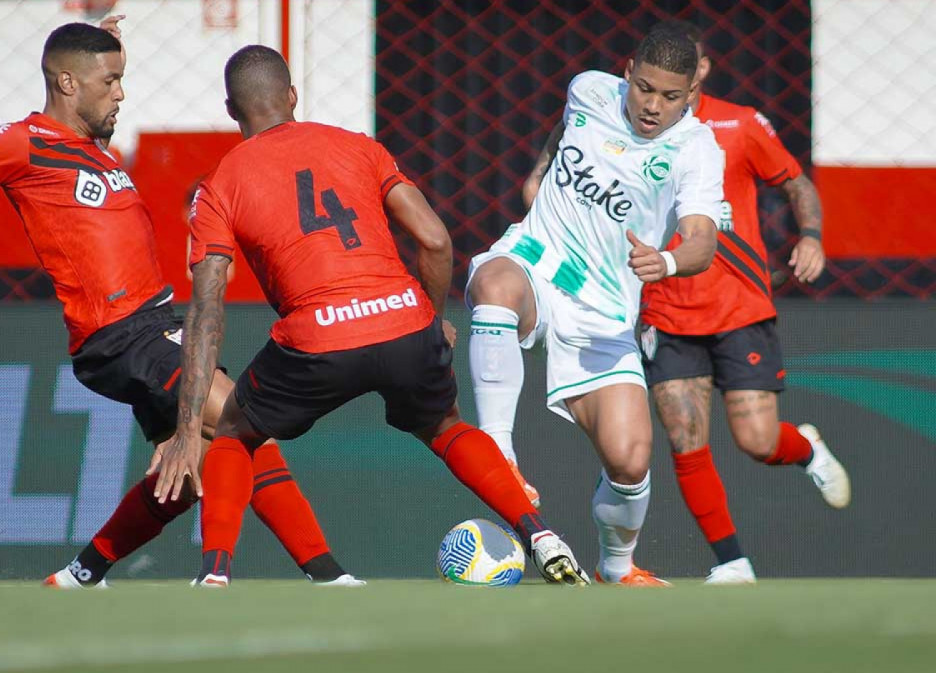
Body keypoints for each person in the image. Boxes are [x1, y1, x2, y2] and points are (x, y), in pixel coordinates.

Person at [0, 21, 361, 588]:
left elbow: (96, 108)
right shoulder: (22, 143)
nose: (122, 93)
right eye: (110, 81)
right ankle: (325, 576)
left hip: (153, 325)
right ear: (66, 83)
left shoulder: (94, 143)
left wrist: (107, 48)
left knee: (186, 476)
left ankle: (82, 574)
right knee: (244, 423)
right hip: (122, 335)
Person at [153, 44, 589, 587]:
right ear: (292, 96)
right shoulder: (359, 147)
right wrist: (430, 320)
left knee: (236, 436)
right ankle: (541, 534)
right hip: (402, 317)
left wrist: (189, 423)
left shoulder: (220, 183)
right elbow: (434, 239)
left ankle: (215, 572)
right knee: (446, 425)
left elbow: (207, 305)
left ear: (230, 109)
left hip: (316, 337)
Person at [469, 24, 725, 586]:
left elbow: (702, 237)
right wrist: (538, 175)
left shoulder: (697, 151)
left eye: (671, 96)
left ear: (692, 95)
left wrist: (671, 261)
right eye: (645, 88)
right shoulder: (588, 88)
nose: (653, 106)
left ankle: (616, 569)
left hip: (603, 312)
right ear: (628, 71)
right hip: (538, 260)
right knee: (494, 285)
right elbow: (566, 129)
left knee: (631, 462)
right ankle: (498, 452)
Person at [636, 20, 850, 585]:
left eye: (692, 68)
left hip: (738, 304)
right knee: (685, 437)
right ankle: (733, 563)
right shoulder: (630, 125)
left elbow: (796, 183)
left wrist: (811, 236)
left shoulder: (738, 124)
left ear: (701, 71)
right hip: (666, 306)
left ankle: (803, 448)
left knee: (757, 441)